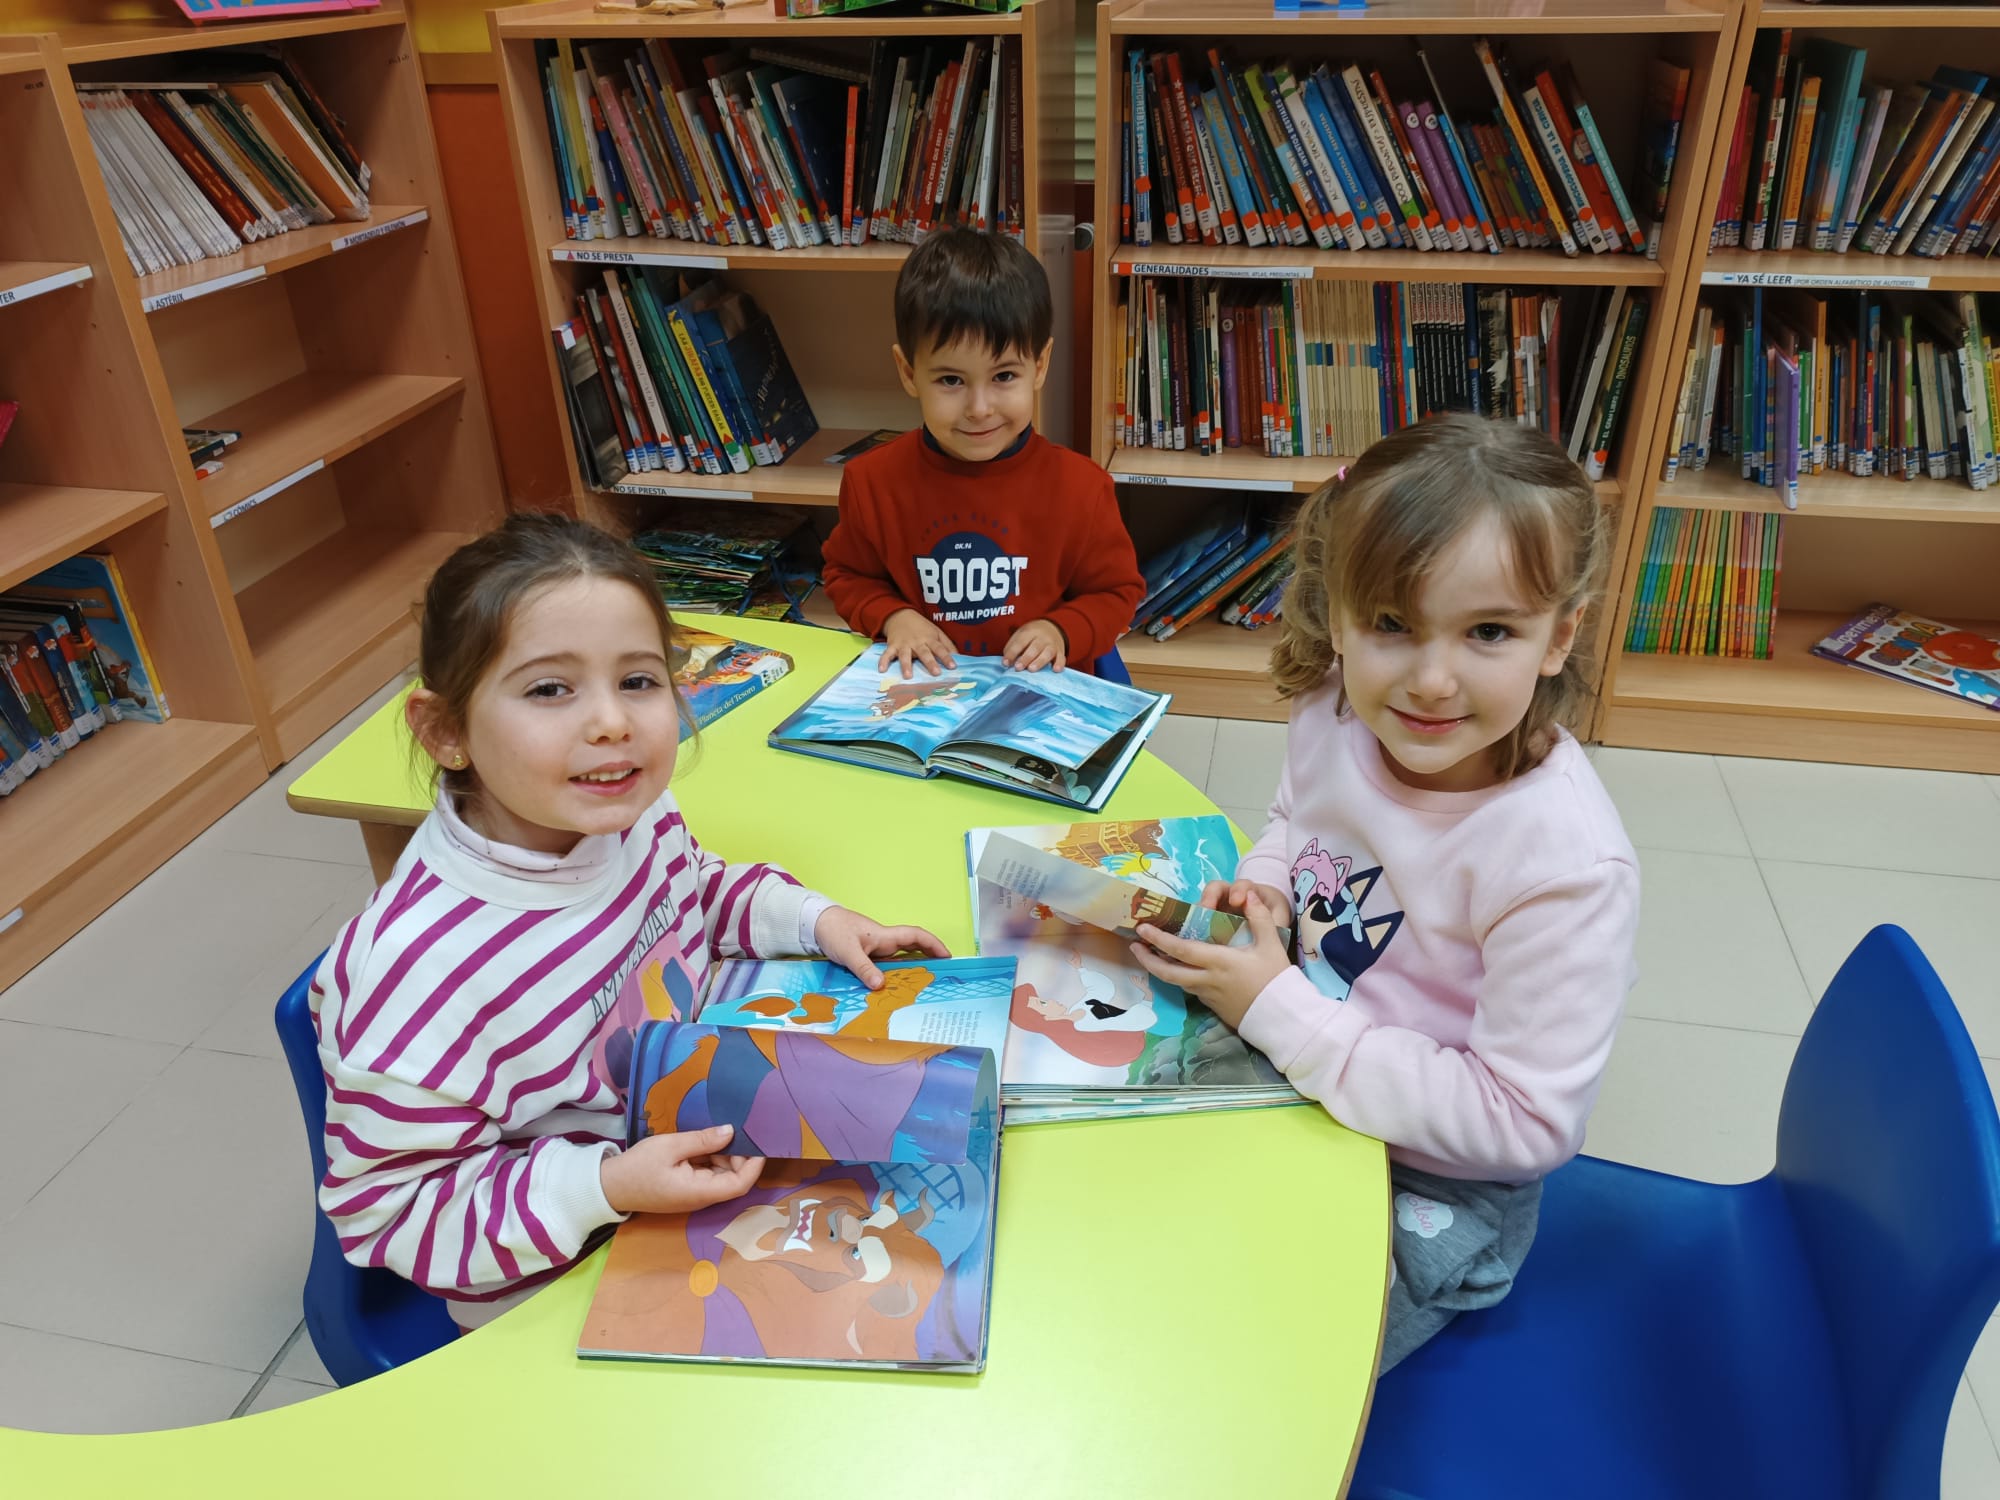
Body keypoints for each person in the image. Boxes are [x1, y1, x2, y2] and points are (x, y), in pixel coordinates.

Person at [311, 513, 946, 1327]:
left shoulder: (623, 812)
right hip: (562, 1267)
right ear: (445, 730)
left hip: (690, 1141)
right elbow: (388, 1212)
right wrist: (606, 1187)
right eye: (550, 689)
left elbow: (695, 890)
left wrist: (817, 921)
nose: (613, 722)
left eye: (639, 681)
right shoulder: (419, 970)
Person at [1127, 413, 1641, 1370]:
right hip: (1295, 1055)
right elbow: (1295, 817)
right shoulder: (1336, 709)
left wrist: (1279, 1010)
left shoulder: (1564, 867)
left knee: (1239, 1360)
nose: (1432, 681)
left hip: (1434, 1182)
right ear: (1338, 616)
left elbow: (1523, 1123)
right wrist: (1267, 889)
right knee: (1115, 1217)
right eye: (1392, 625)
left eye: (1489, 632)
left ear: (1559, 636)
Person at [820, 227, 1143, 678]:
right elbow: (848, 576)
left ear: (1040, 366)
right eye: (951, 380)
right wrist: (893, 616)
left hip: (1040, 693)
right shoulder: (870, 482)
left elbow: (1117, 592)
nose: (979, 408)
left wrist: (1060, 630)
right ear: (909, 373)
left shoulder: (1083, 488)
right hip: (928, 692)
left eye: (1004, 376)